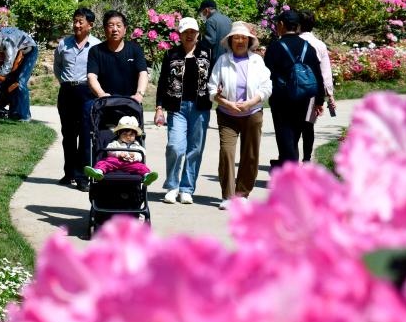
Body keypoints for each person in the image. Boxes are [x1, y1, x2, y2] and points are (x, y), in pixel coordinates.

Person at [208, 21, 272, 210]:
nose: (240, 41)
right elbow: (211, 87)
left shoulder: (257, 61)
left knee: (250, 155)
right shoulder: (223, 61)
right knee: (226, 152)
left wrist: (251, 102)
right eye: (236, 38)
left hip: (252, 113)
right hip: (227, 115)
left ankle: (242, 193)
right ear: (230, 41)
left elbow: (267, 87)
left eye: (244, 38)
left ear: (249, 41)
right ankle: (228, 196)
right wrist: (226, 102)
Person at [152, 16, 212, 204]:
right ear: (179, 34)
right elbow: (162, 82)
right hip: (176, 107)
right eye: (186, 32)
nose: (189, 35)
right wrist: (159, 107)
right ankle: (172, 186)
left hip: (200, 107)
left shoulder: (207, 52)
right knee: (176, 147)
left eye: (192, 32)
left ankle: (187, 188)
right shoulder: (171, 54)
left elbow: (215, 77)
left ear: (198, 33)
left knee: (195, 149)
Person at [264, 9, 325, 166]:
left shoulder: (275, 47)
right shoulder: (308, 47)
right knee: (294, 136)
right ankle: (286, 168)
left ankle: (291, 174)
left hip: (281, 100)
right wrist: (319, 100)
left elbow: (266, 74)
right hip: (302, 98)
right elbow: (318, 75)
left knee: (285, 137)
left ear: (282, 24)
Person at [53, 7, 100, 191]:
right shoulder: (64, 44)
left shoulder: (97, 45)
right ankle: (69, 172)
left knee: (86, 134)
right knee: (68, 135)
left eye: (81, 21)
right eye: (75, 21)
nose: (77, 25)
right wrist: (65, 83)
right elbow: (57, 67)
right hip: (67, 92)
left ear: (90, 25)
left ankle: (82, 177)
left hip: (87, 93)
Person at [298, 10, 336, 162]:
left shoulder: (290, 42)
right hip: (312, 91)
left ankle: (290, 160)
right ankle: (306, 159)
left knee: (293, 128)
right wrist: (330, 95)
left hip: (293, 90)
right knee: (308, 127)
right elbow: (325, 73)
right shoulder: (320, 45)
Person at [87, 10, 148, 102]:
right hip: (105, 103)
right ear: (105, 29)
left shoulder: (135, 49)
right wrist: (101, 94)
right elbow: (91, 76)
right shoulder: (95, 51)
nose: (115, 29)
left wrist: (139, 94)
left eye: (119, 25)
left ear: (125, 29)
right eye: (111, 26)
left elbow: (143, 73)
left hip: (131, 102)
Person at [0, 24, 38, 121]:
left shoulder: (8, 43)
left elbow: (8, 66)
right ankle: (14, 113)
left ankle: (25, 116)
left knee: (20, 83)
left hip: (29, 51)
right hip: (19, 52)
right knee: (10, 82)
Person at [83, 116, 159, 185]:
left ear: (135, 135)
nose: (128, 137)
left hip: (130, 163)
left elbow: (142, 153)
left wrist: (135, 156)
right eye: (125, 134)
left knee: (141, 166)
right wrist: (118, 154)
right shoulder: (115, 142)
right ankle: (98, 172)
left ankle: (147, 176)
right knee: (104, 162)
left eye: (131, 135)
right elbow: (109, 150)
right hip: (117, 161)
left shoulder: (136, 145)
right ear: (119, 134)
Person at [198, 0, 232, 69]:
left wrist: (199, 43)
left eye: (202, 11)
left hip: (218, 59)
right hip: (230, 56)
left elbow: (210, 41)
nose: (202, 14)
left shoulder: (210, 20)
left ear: (206, 10)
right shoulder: (228, 19)